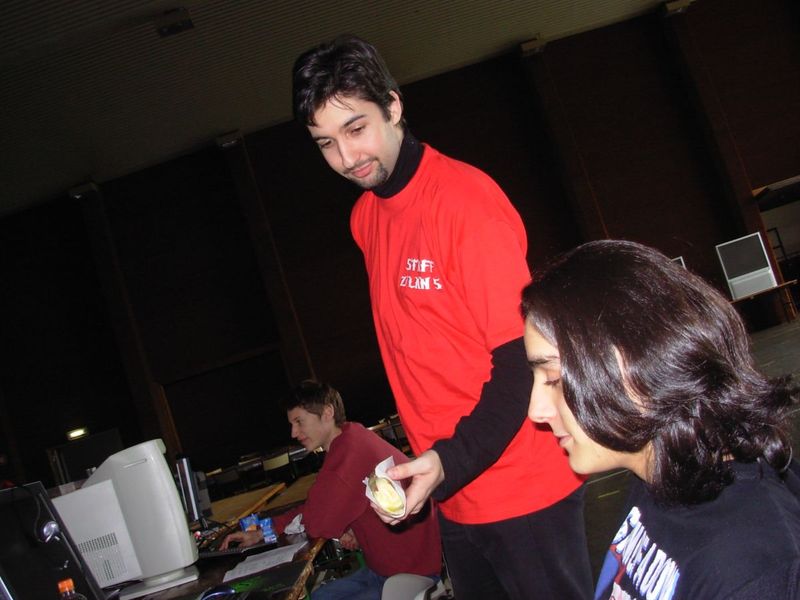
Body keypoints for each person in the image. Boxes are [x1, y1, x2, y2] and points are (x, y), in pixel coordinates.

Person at [292, 35, 592, 599]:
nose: (347, 158)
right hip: (452, 491)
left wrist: (446, 461)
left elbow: (522, 363)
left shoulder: (464, 203)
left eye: (356, 129)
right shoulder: (365, 218)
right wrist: (435, 468)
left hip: (521, 488)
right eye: (326, 143)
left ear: (393, 105)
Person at [521, 239, 800, 599]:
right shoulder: (660, 471)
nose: (536, 411)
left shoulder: (751, 569)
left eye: (554, 379)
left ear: (642, 364)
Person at [221, 381, 441, 600]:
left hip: (406, 576)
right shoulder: (353, 436)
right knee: (322, 594)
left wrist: (267, 529)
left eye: (299, 422)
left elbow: (316, 523)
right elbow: (328, 506)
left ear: (327, 413)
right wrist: (350, 526)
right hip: (398, 564)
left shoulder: (346, 456)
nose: (294, 432)